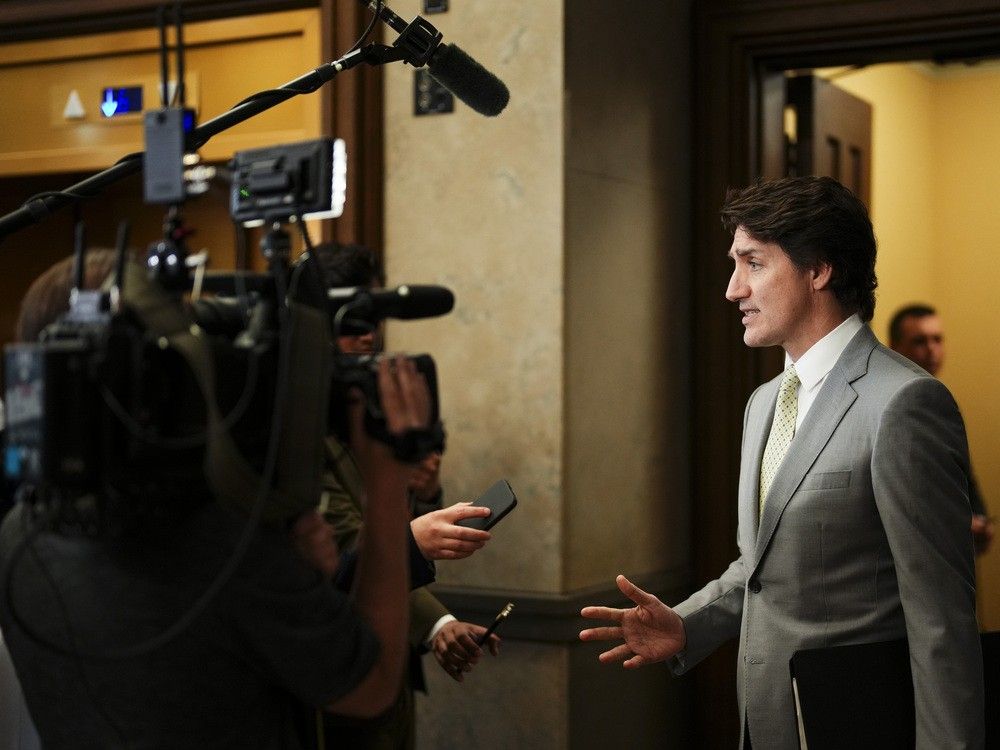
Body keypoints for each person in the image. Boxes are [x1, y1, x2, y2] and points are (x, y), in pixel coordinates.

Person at [580, 176, 985, 749]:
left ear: (818, 269)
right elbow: (761, 570)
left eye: (753, 263)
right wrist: (685, 624)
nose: (732, 288)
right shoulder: (765, 401)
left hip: (858, 728)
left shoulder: (905, 403)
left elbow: (941, 620)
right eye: (734, 263)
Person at [0, 250, 433, 748]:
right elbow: (371, 687)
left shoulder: (18, 533)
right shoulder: (219, 545)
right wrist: (386, 482)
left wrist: (296, 577)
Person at [314, 242, 500, 749]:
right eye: (351, 321)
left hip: (389, 664)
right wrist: (412, 542)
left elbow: (385, 525)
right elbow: (339, 558)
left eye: (372, 316)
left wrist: (420, 490)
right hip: (330, 682)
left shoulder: (363, 407)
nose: (368, 334)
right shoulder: (295, 430)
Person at [889, 303, 994, 555]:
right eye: (919, 341)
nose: (931, 350)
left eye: (937, 339)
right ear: (895, 346)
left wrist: (980, 518)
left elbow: (963, 472)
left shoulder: (943, 400)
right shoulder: (889, 404)